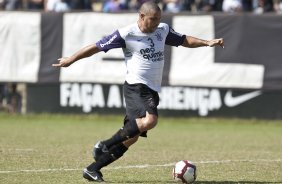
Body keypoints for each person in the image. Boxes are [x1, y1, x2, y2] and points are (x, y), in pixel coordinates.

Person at [52, 1, 224, 182]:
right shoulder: (126, 34)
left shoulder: (162, 30)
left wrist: (207, 42)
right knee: (151, 120)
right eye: (153, 19)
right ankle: (104, 144)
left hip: (151, 89)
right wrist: (71, 59)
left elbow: (184, 40)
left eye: (159, 19)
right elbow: (96, 47)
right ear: (142, 16)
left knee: (131, 137)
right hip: (136, 86)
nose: (156, 23)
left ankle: (93, 169)